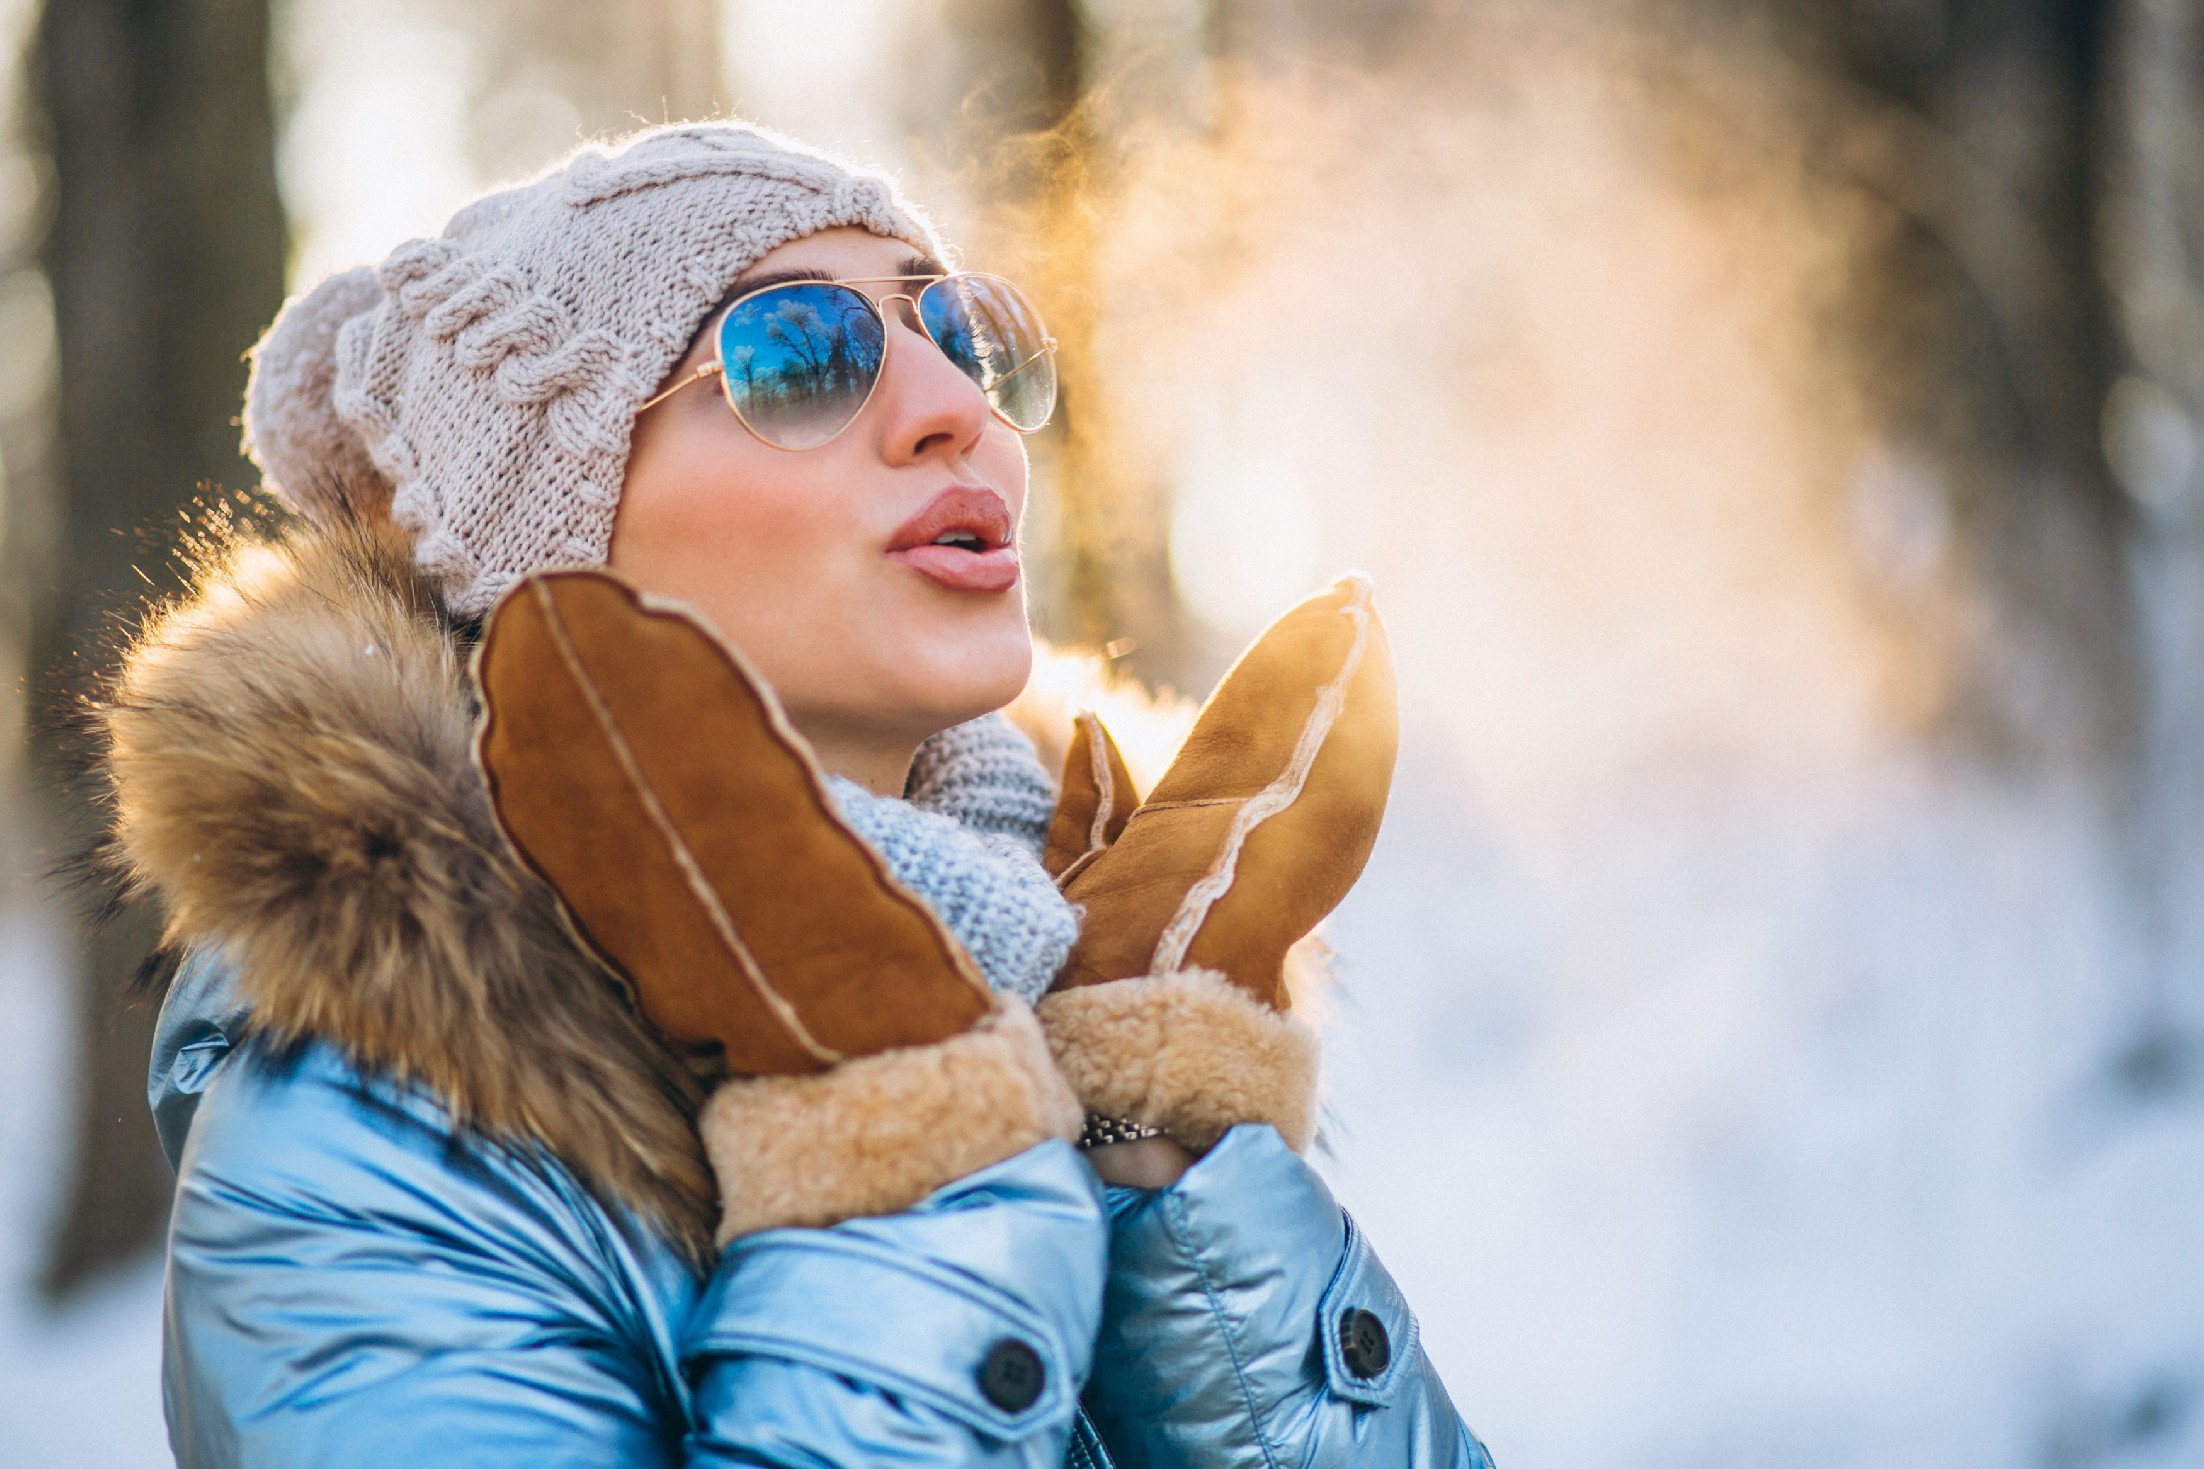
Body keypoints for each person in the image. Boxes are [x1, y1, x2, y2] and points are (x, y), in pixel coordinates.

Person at [100, 121, 1494, 1468]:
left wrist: (1161, 1171)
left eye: (960, 335)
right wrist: (898, 1138)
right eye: (798, 353)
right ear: (546, 552)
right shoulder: (365, 1155)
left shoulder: (1092, 976)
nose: (958, 410)